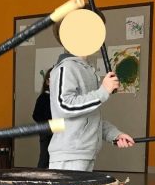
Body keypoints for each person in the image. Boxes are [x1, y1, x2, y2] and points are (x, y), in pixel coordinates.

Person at [48, 28, 134, 171]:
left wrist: (115, 135)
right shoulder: (66, 68)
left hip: (86, 153)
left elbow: (90, 118)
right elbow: (65, 106)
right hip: (70, 155)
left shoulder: (87, 70)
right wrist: (103, 91)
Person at [32, 67, 52, 168]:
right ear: (47, 82)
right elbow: (36, 115)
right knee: (45, 156)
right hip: (46, 131)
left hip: (58, 132)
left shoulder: (60, 99)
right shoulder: (43, 98)